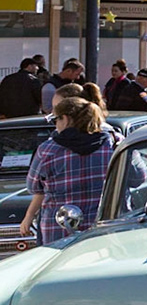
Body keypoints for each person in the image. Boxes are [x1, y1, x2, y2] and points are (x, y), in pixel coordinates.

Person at [19, 94, 118, 245]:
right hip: (105, 226)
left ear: (65, 118)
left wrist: (29, 215)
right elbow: (138, 177)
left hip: (59, 228)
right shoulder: (113, 143)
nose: (55, 125)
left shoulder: (48, 150)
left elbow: (33, 187)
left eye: (55, 120)